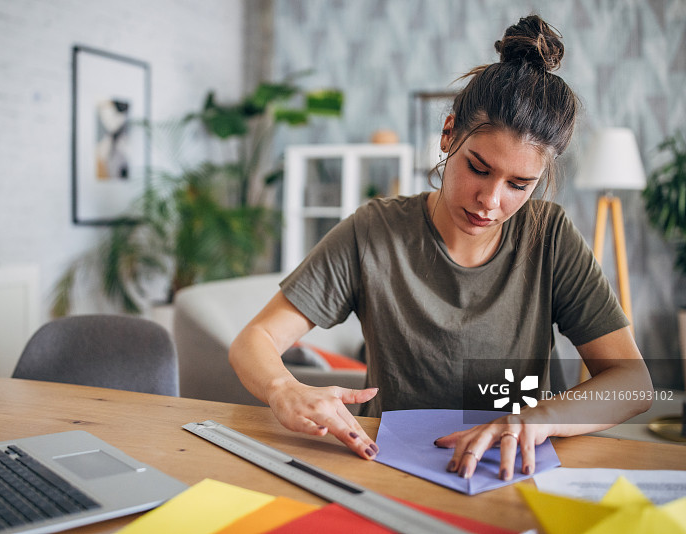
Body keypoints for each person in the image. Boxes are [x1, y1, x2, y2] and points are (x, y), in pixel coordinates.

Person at [228, 14, 652, 481]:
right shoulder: (374, 232)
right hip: (393, 475)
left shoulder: (549, 236)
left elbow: (633, 383)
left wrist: (533, 419)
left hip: (514, 473)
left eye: (519, 184)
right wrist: (282, 388)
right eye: (478, 167)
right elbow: (255, 340)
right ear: (449, 134)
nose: (490, 201)